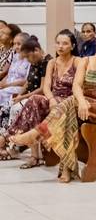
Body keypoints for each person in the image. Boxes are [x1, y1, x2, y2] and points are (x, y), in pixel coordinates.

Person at [11, 34, 96, 182]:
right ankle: (66, 167)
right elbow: (76, 86)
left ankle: (37, 135)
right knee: (69, 115)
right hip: (83, 105)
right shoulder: (86, 61)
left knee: (70, 103)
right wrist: (83, 102)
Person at [2, 31, 77, 166]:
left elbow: (76, 87)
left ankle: (11, 139)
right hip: (53, 98)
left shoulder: (78, 61)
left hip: (70, 99)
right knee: (34, 100)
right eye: (58, 43)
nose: (60, 46)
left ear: (72, 46)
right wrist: (52, 99)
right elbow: (47, 87)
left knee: (30, 102)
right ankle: (23, 145)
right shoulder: (52, 63)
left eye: (65, 43)